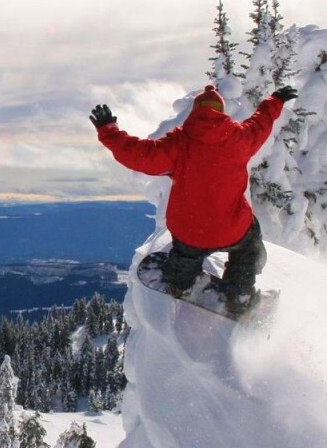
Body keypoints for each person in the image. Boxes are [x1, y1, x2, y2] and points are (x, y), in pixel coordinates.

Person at [90, 82, 299, 314]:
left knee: (186, 254)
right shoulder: (241, 138)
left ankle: (182, 282)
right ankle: (240, 293)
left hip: (191, 232)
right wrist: (276, 100)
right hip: (233, 230)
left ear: (196, 110)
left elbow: (139, 154)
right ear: (220, 110)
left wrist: (108, 130)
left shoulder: (179, 144)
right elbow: (261, 122)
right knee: (248, 248)